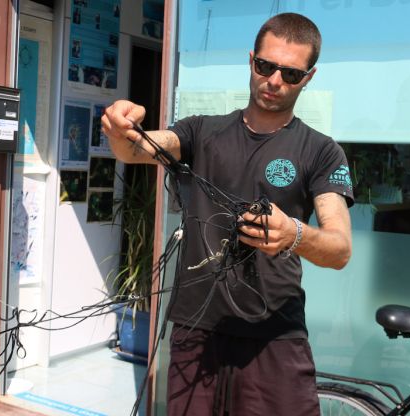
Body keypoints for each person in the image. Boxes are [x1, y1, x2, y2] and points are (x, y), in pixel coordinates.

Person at [102, 13, 353, 415]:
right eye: (266, 66)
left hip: (275, 335)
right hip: (197, 331)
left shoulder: (321, 151)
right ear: (251, 60)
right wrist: (121, 128)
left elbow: (340, 249)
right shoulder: (202, 132)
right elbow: (139, 149)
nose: (274, 81)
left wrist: (294, 234)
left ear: (309, 77)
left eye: (290, 74)